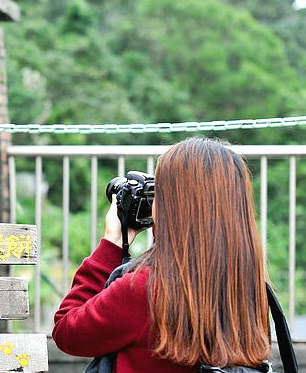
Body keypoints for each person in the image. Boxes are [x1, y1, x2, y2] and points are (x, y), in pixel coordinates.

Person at [52, 137, 271, 372]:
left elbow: (67, 332)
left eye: (158, 193)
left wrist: (112, 243)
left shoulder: (146, 288)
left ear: (173, 204)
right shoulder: (249, 284)